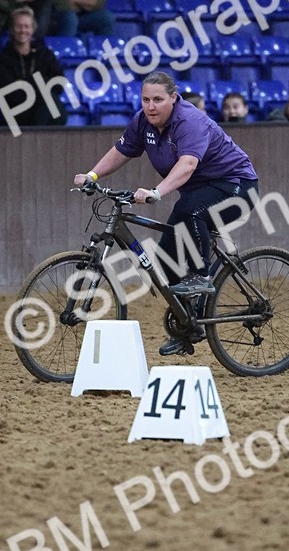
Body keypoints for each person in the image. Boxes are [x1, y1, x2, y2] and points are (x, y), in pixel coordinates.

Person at [73, 70, 258, 356]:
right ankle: (189, 326)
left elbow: (187, 164)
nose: (151, 106)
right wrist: (93, 175)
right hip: (200, 191)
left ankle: (201, 276)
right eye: (145, 100)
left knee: (190, 210)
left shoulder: (190, 121)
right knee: (166, 257)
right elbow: (121, 151)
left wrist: (156, 192)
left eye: (158, 100)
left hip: (237, 185)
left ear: (173, 98)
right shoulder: (142, 121)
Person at [0, 6, 67, 127]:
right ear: (11, 29)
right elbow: (9, 92)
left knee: (47, 99)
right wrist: (37, 84)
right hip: (17, 110)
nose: (23, 30)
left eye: (26, 26)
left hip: (45, 108)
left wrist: (32, 85)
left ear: (32, 29)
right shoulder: (3, 59)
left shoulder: (45, 54)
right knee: (46, 98)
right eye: (18, 26)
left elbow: (59, 85)